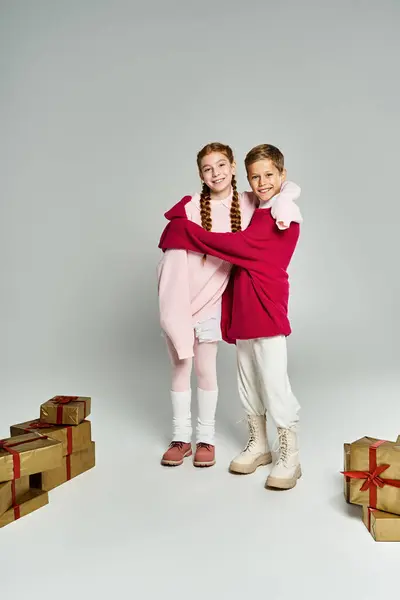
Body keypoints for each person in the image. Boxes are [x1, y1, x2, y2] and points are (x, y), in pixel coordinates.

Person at [158, 144, 303, 490]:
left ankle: (291, 456)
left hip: (267, 310)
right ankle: (260, 445)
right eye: (256, 176)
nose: (262, 182)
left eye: (269, 175)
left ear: (282, 176)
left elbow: (243, 248)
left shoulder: (286, 215)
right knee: (248, 382)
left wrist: (187, 233)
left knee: (273, 381)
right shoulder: (259, 209)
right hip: (242, 310)